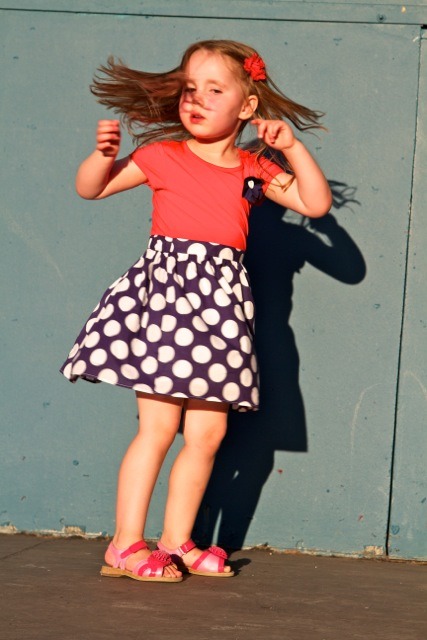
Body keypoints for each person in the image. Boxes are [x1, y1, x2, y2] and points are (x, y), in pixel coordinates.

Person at [60, 39, 332, 583]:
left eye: (214, 89)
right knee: (158, 428)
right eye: (189, 89)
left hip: (222, 314)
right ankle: (125, 544)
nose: (196, 99)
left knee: (207, 435)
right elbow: (92, 189)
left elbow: (314, 204)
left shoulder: (253, 167)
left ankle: (177, 541)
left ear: (247, 106)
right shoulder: (162, 156)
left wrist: (294, 148)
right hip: (168, 307)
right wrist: (102, 157)